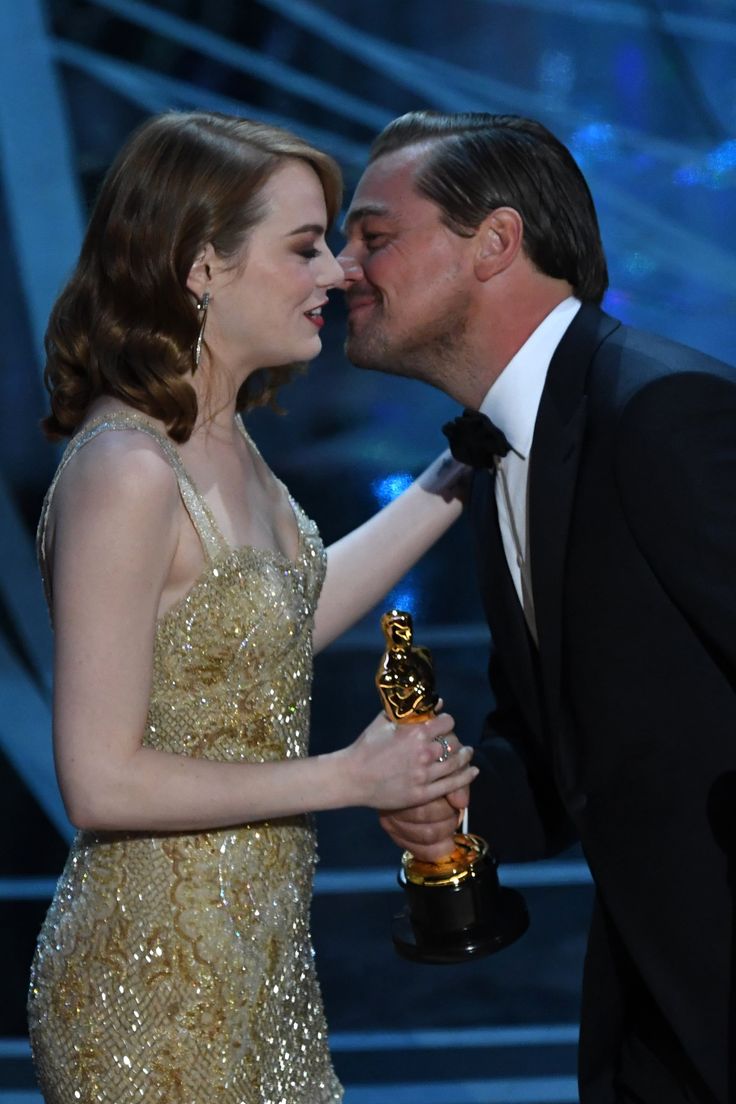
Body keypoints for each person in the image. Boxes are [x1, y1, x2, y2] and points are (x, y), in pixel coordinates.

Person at [27, 111, 479, 1104]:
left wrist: (460, 470)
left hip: (260, 970)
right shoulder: (126, 470)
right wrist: (352, 775)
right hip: (147, 989)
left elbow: (279, 628)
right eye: (303, 247)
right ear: (202, 266)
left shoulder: (225, 436)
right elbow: (100, 783)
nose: (334, 274)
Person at [337, 110, 736, 1104]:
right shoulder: (496, 451)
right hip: (649, 1011)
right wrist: (451, 799)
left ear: (496, 243)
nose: (343, 269)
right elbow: (571, 769)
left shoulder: (662, 414)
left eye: (373, 236)